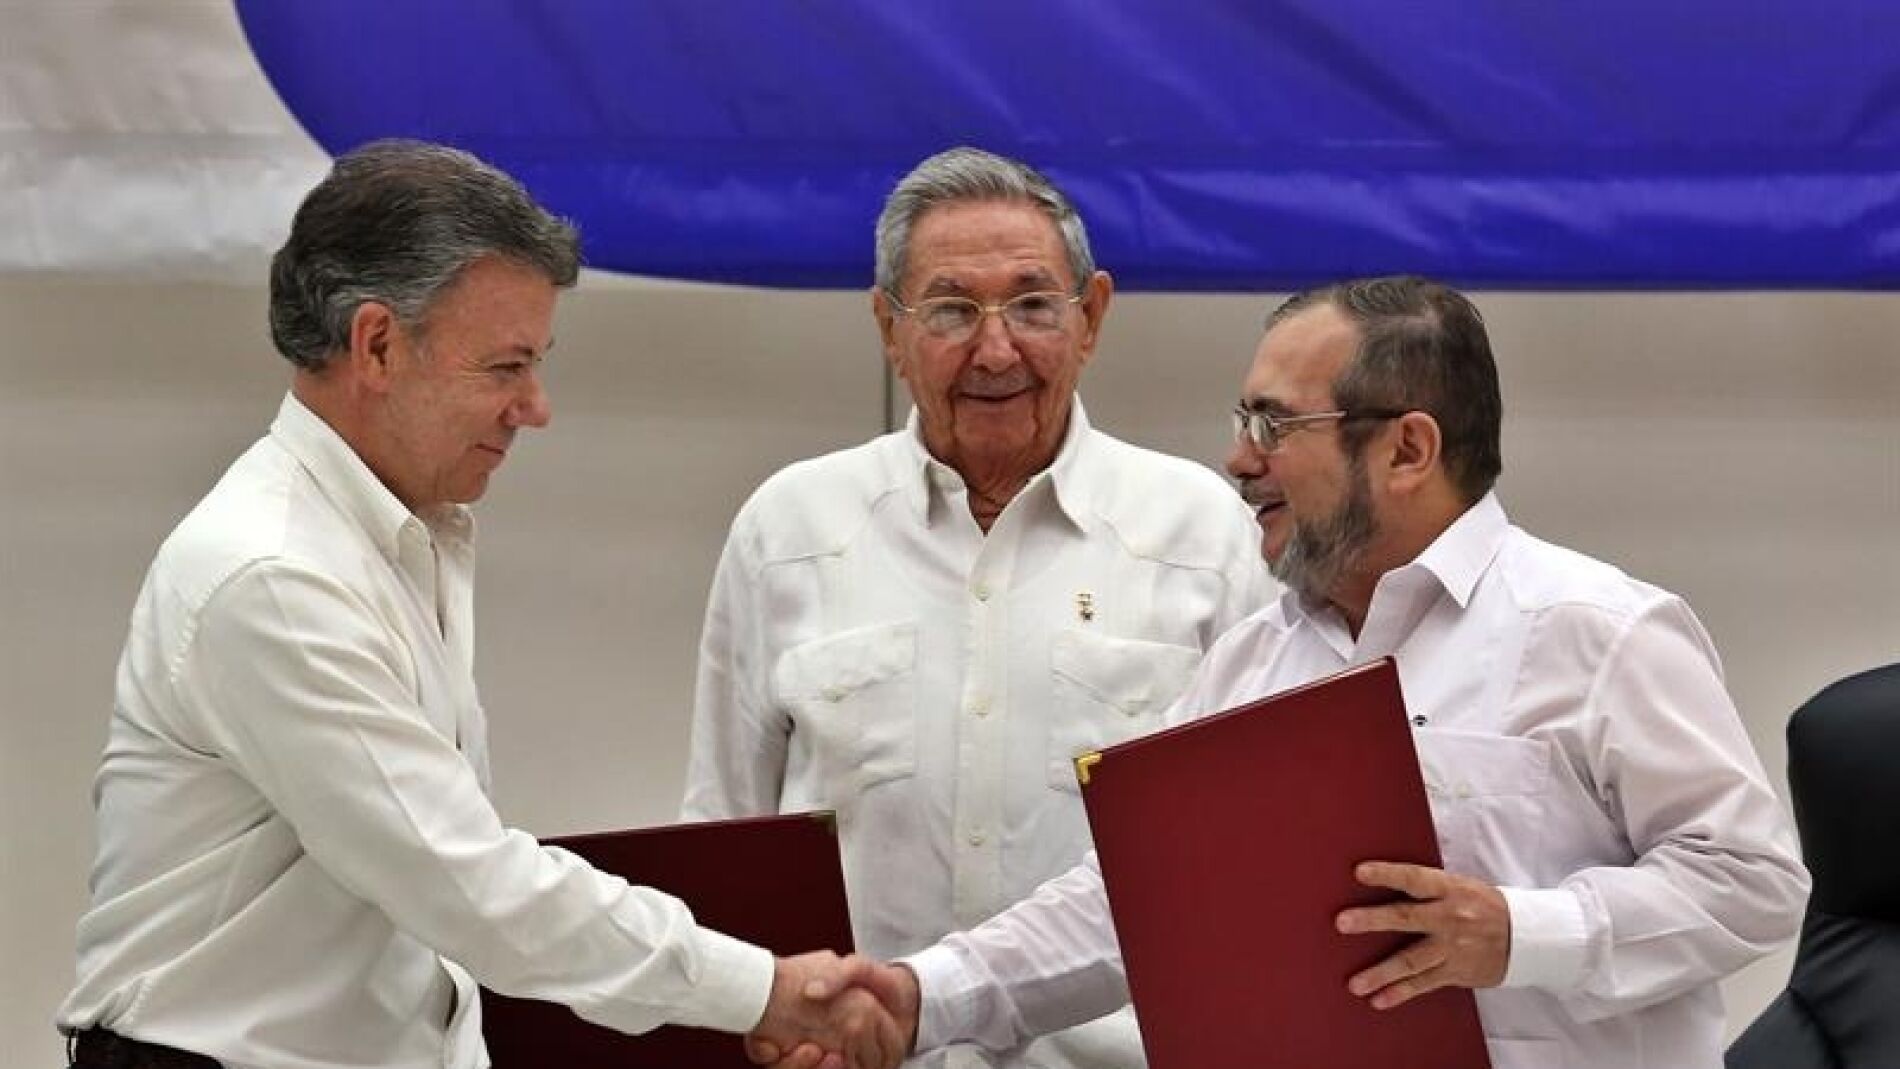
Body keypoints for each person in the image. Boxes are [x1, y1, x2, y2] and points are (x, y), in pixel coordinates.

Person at [803, 275, 1811, 1069]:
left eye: (1274, 426)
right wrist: (920, 993)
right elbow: (1130, 903)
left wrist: (1519, 930)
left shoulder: (1599, 631)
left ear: (1408, 448)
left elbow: (1752, 881)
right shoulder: (1253, 658)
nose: (1238, 461)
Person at [56, 140, 898, 1069]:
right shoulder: (275, 574)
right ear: (376, 343)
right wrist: (763, 991)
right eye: (504, 367)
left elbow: (444, 908)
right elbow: (466, 882)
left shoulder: (406, 529)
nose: (534, 407)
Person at [683, 147, 1271, 1069]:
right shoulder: (789, 527)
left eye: (1034, 305)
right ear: (888, 327)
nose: (995, 349)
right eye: (952, 309)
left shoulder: (1202, 531)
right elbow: (721, 843)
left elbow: (1247, 855)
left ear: (1092, 318)